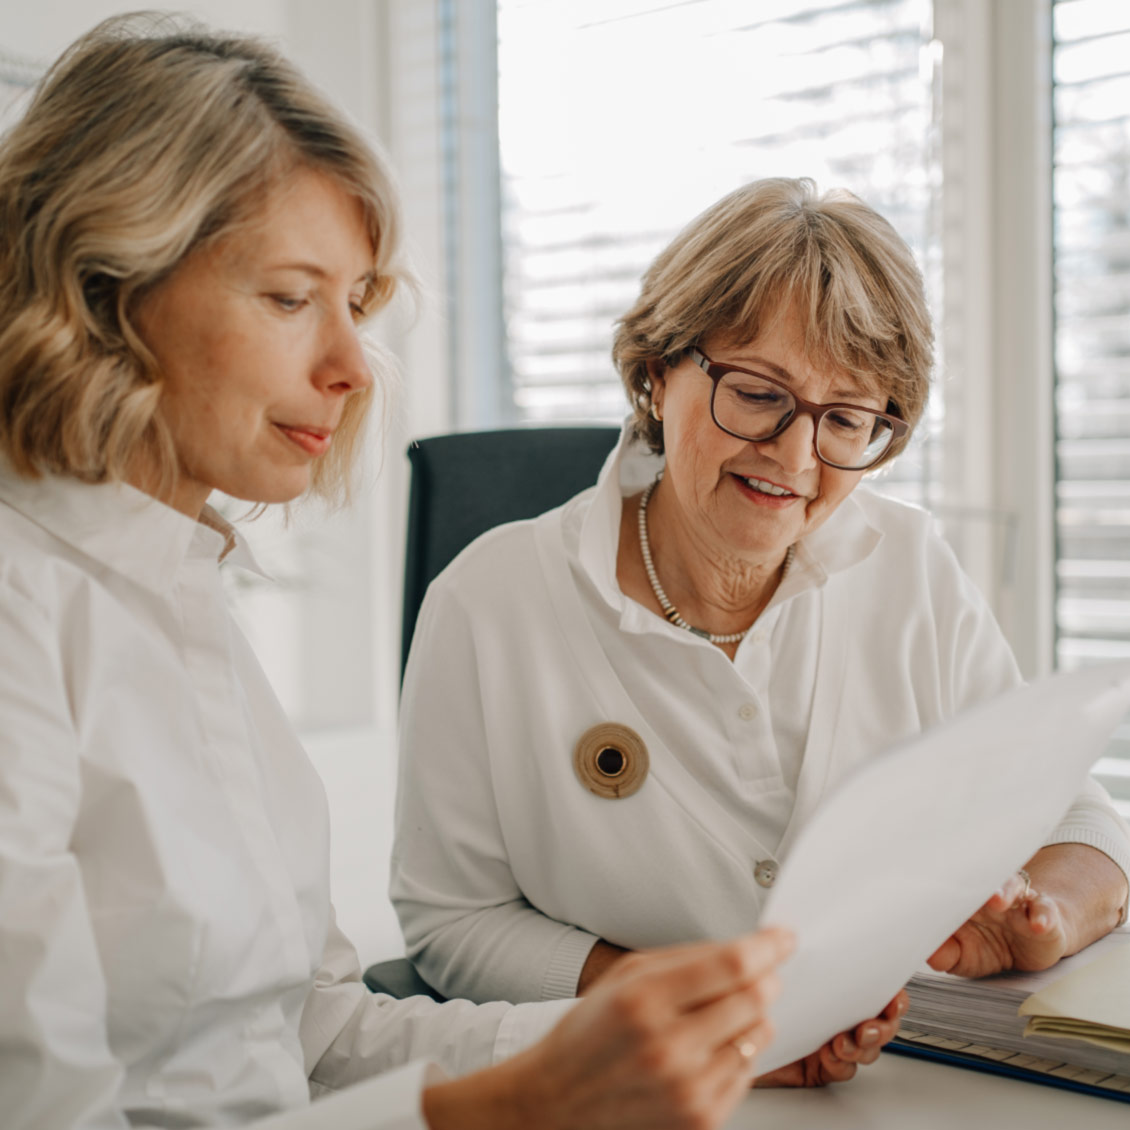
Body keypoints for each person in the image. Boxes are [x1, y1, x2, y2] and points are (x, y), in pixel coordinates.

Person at [0, 15, 796, 1130]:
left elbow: (309, 1033)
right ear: (101, 287)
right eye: (289, 297)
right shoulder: (22, 612)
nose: (347, 368)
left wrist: (634, 1030)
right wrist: (504, 1106)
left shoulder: (178, 591)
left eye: (357, 304)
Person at [391, 177, 1130, 1086]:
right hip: (632, 1100)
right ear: (658, 372)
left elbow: (1072, 808)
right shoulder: (488, 602)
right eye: (756, 393)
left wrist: (1040, 914)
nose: (793, 456)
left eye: (846, 419)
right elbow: (451, 919)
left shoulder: (910, 567)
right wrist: (687, 1017)